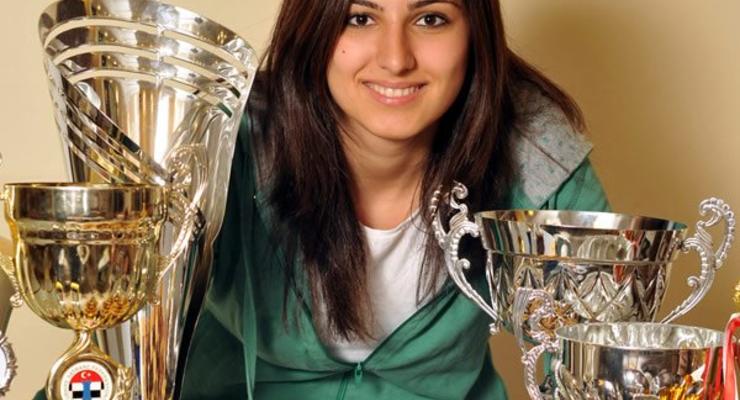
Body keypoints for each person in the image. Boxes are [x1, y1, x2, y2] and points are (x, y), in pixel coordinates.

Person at [35, 0, 608, 399]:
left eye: (431, 18)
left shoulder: (534, 154)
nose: (395, 58)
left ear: (475, 32)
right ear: (313, 26)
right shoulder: (218, 140)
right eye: (360, 17)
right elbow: (113, 354)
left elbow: (599, 359)